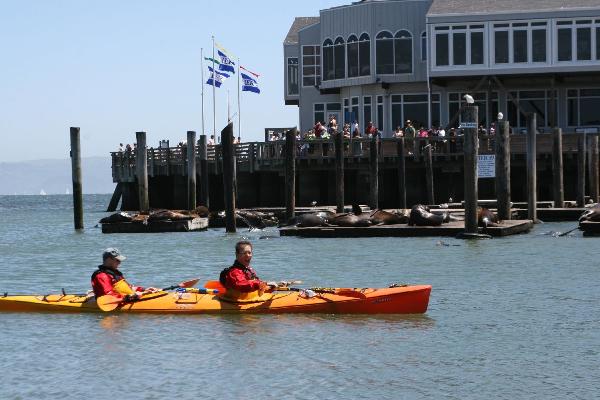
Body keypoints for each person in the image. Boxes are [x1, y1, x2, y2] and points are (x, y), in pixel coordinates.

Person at [91, 248, 158, 299]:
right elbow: (109, 295)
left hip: (126, 297)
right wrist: (129, 296)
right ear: (108, 260)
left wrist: (144, 289)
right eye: (117, 260)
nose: (120, 262)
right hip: (112, 301)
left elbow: (129, 287)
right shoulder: (102, 276)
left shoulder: (116, 273)